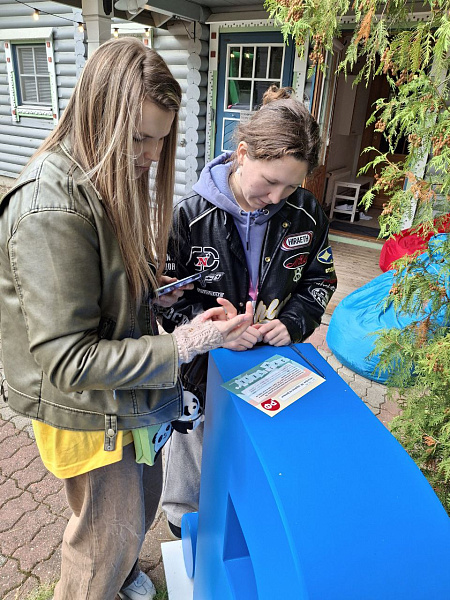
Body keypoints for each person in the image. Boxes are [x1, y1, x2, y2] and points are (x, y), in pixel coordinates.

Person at [0, 38, 253, 600]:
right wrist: (186, 342)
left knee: (134, 504)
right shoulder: (50, 209)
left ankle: (120, 567)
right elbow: (69, 361)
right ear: (99, 116)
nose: (151, 156)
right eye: (140, 138)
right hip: (88, 408)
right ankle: (101, 579)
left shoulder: (100, 176)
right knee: (101, 536)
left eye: (161, 140)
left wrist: (157, 296)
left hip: (121, 394)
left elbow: (102, 291)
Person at [160, 85, 338, 538]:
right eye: (270, 181)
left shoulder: (308, 214)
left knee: (254, 447)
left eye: (292, 185)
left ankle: (240, 519)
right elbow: (167, 301)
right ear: (242, 154)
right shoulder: (189, 216)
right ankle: (182, 521)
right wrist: (208, 329)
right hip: (202, 366)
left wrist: (292, 323)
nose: (278, 197)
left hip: (270, 362)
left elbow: (320, 281)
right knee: (194, 439)